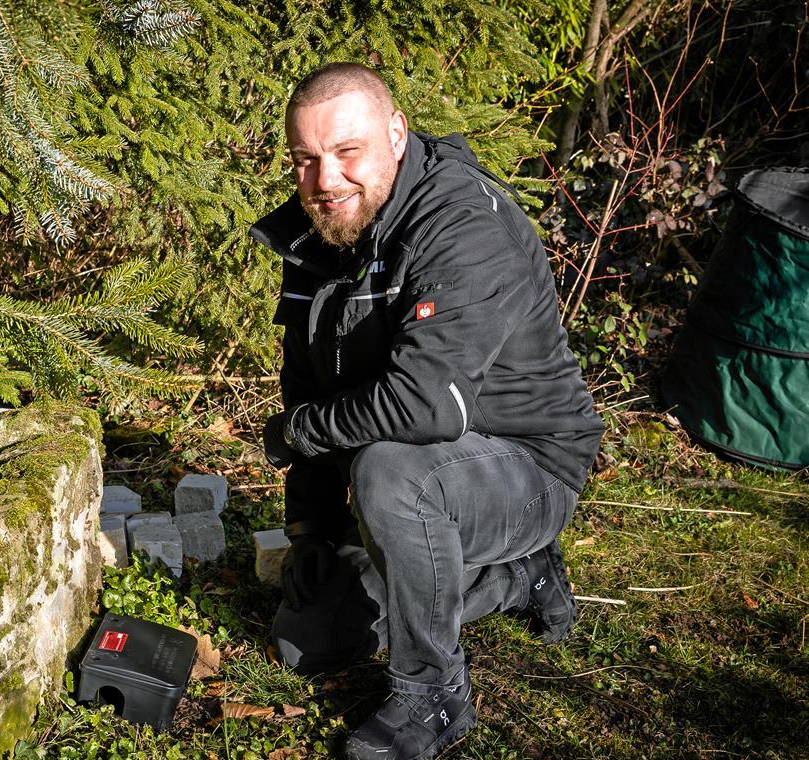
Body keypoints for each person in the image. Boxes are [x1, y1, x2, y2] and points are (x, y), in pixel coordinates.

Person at [250, 63, 604, 760]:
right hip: (423, 469)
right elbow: (309, 385)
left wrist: (297, 435)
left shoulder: (463, 224)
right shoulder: (322, 227)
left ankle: (432, 694)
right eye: (306, 160)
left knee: (391, 473)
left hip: (526, 465)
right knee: (307, 642)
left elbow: (421, 407)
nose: (326, 181)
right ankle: (514, 579)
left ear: (396, 133)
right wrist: (312, 529)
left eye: (347, 152)